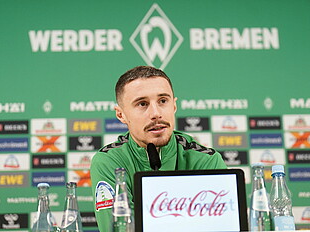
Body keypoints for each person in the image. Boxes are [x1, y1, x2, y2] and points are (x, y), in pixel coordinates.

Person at [90, 66, 227, 231]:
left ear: (174, 106)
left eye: (163, 101)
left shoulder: (207, 161)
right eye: (142, 104)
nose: (156, 113)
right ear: (121, 115)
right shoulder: (109, 161)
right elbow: (120, 229)